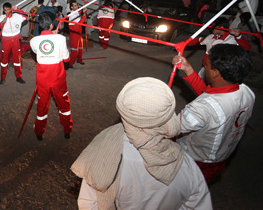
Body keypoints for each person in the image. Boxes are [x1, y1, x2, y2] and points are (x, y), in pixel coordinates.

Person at [72, 77, 212, 210]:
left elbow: (88, 203)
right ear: (168, 116)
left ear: (123, 111)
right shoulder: (186, 166)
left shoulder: (104, 155)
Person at [173, 44, 254, 184]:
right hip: (223, 154)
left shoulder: (201, 108)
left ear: (216, 72)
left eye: (207, 65)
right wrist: (188, 69)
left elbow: (172, 128)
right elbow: (211, 97)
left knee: (185, 192)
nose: (204, 67)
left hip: (196, 160)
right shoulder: (246, 92)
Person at [30, 12, 72, 140]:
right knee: (64, 105)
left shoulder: (33, 41)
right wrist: (56, 37)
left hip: (42, 80)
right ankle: (67, 130)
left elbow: (39, 50)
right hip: (58, 79)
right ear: (52, 25)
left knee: (42, 106)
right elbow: (66, 59)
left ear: (40, 25)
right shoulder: (61, 39)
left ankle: (39, 132)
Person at [0, 2, 28, 84]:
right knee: (4, 59)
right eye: (5, 10)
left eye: (8, 9)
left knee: (17, 59)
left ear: (11, 9)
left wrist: (18, 9)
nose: (6, 12)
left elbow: (26, 16)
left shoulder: (17, 16)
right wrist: (2, 23)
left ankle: (18, 76)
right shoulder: (1, 17)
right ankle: (2, 77)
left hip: (16, 40)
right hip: (6, 40)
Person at [68, 0, 87, 68]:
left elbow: (81, 21)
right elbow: (80, 23)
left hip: (78, 32)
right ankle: (70, 63)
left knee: (80, 48)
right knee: (75, 50)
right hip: (74, 33)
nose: (77, 6)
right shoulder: (73, 14)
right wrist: (84, 14)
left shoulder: (77, 12)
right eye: (75, 5)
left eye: (77, 5)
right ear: (71, 7)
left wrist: (84, 13)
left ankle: (79, 60)